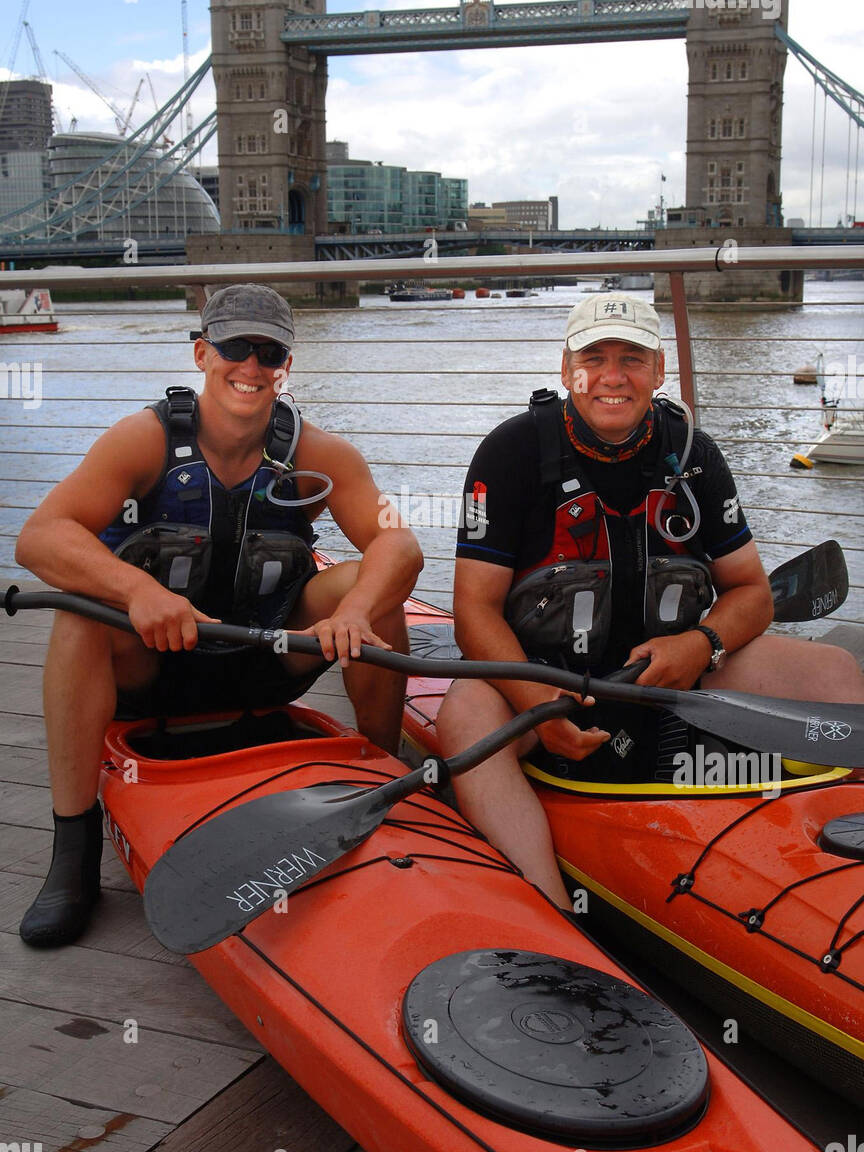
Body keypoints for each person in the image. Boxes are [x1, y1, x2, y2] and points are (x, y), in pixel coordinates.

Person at [15, 283, 423, 946]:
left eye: (270, 352)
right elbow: (41, 536)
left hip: (264, 662)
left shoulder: (320, 454)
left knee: (370, 589)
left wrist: (354, 607)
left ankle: (381, 775)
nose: (252, 366)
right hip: (156, 667)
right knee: (83, 611)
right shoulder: (141, 440)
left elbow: (399, 542)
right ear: (203, 353)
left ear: (285, 364)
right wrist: (137, 592)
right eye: (236, 347)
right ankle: (74, 850)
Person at [437, 293, 864, 910]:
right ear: (565, 371)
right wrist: (538, 700)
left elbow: (751, 592)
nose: (613, 377)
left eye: (632, 359)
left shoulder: (693, 455)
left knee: (836, 672)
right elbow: (473, 610)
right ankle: (548, 909)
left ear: (659, 371)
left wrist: (702, 643)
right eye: (594, 358)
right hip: (543, 686)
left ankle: (843, 847)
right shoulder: (509, 454)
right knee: (466, 716)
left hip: (672, 681)